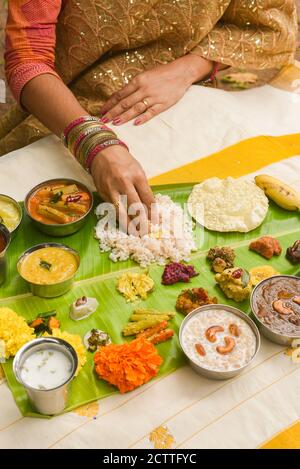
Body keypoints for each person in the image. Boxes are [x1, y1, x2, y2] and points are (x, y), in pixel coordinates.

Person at [1, 0, 297, 218]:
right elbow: (27, 60)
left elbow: (265, 25)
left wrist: (184, 71)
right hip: (66, 111)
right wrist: (93, 143)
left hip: (181, 105)